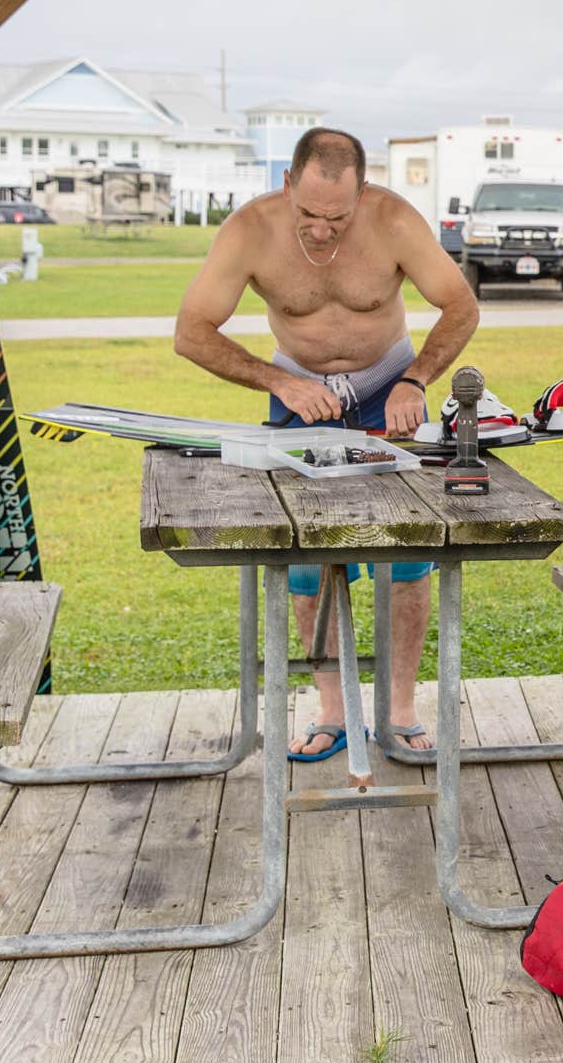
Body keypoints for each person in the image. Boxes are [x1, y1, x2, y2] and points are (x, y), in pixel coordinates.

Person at [174, 127, 479, 759]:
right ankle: (334, 711)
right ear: (287, 184)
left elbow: (460, 306)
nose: (321, 230)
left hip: (388, 391)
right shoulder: (250, 230)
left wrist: (415, 380)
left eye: (337, 217)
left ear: (362, 193)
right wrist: (279, 381)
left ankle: (398, 710)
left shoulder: (394, 220)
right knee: (308, 561)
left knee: (409, 553)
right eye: (308, 214)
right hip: (299, 397)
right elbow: (192, 332)